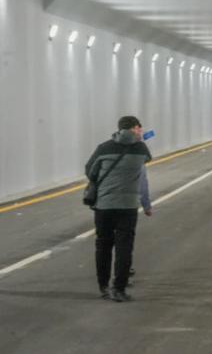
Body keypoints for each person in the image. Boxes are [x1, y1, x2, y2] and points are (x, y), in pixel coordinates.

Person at [85, 116, 152, 302]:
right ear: (134, 128)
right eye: (139, 128)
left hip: (104, 205)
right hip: (128, 206)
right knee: (124, 247)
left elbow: (90, 171)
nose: (141, 131)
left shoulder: (103, 148)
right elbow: (146, 163)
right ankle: (119, 289)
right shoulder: (141, 149)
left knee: (103, 245)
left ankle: (103, 286)